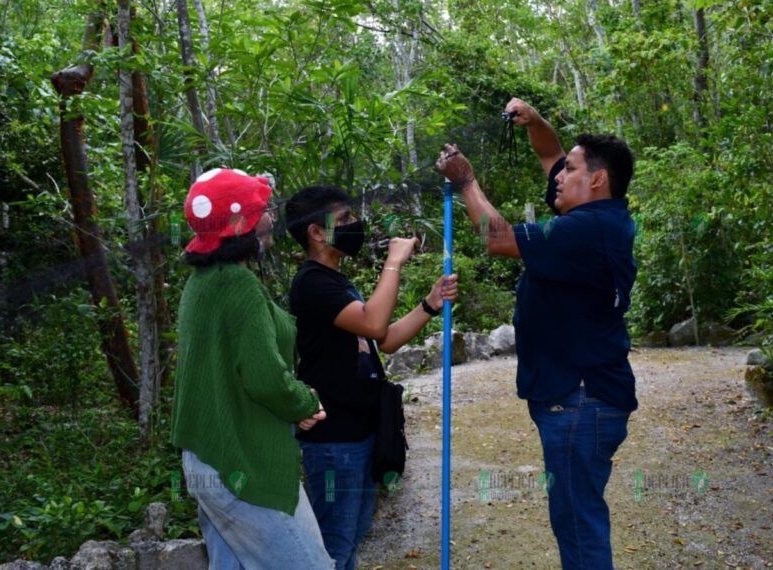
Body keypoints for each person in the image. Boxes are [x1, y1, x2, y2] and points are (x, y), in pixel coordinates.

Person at [435, 98, 638, 570]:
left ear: (598, 179)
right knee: (576, 517)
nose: (558, 176)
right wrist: (537, 122)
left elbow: (497, 237)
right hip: (581, 397)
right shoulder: (599, 217)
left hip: (579, 399)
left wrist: (466, 182)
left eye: (571, 169)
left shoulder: (586, 228)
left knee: (578, 524)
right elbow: (550, 155)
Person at [285, 185, 458, 570]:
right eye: (344, 219)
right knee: (335, 545)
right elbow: (374, 320)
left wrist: (429, 305)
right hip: (333, 438)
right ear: (316, 232)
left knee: (352, 538)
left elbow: (384, 338)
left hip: (360, 432)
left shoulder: (337, 281)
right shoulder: (312, 283)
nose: (354, 225)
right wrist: (393, 262)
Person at [172, 168, 333, 569]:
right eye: (263, 209)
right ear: (242, 222)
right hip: (241, 461)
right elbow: (264, 378)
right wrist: (304, 402)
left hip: (208, 458)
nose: (272, 217)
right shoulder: (236, 285)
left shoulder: (202, 281)